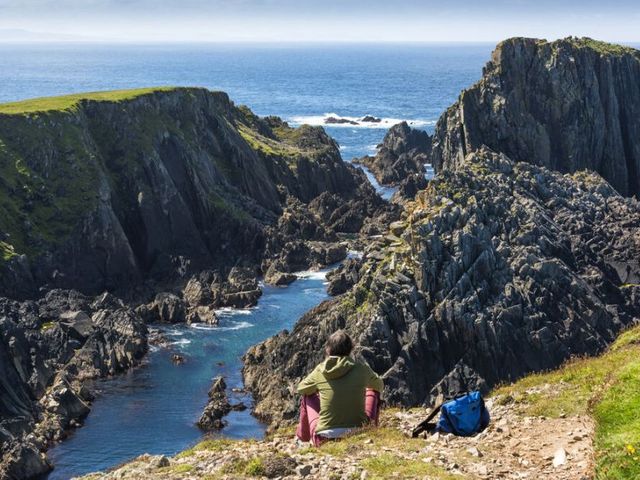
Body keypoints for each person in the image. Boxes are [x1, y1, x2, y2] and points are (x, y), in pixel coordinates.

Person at [295, 330, 384, 446]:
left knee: (307, 396)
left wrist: (319, 391)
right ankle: (372, 429)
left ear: (328, 349)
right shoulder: (362, 369)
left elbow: (301, 388)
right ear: (351, 349)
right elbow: (380, 385)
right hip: (359, 432)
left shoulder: (320, 370)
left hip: (324, 439)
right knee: (373, 390)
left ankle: (302, 439)